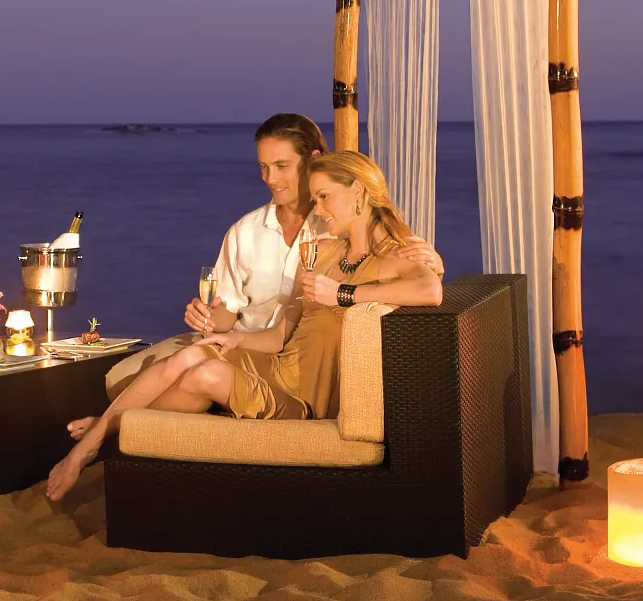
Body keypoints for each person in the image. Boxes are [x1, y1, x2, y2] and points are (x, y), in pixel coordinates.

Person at [45, 149, 442, 502]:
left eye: (324, 197)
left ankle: (105, 430)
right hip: (279, 365)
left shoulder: (390, 256)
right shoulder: (324, 253)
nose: (318, 208)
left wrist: (342, 295)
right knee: (194, 356)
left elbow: (430, 288)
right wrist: (234, 337)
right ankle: (87, 449)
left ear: (358, 191)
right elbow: (284, 332)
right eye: (316, 197)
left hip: (302, 398)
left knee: (199, 375)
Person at [101, 113, 441, 400]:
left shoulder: (340, 224)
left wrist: (434, 264)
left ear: (312, 160)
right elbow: (227, 313)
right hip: (244, 345)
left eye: (281, 165)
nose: (270, 179)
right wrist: (207, 315)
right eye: (263, 167)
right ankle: (115, 429)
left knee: (170, 383)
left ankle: (111, 430)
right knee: (120, 382)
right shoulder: (245, 231)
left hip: (295, 359)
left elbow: (400, 264)